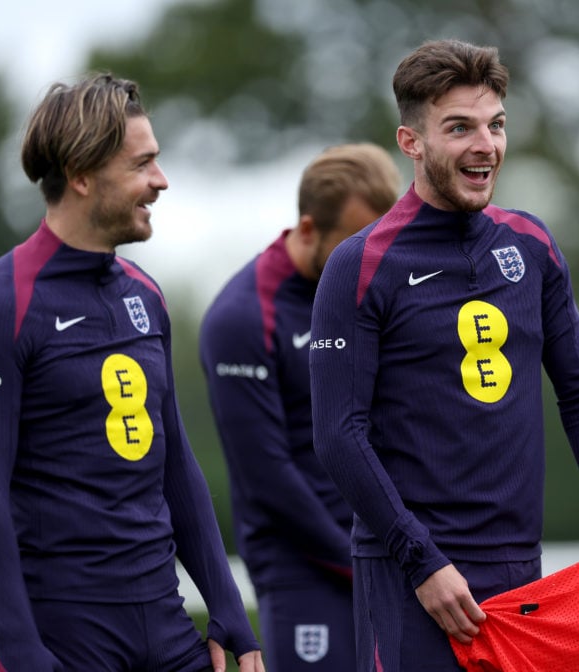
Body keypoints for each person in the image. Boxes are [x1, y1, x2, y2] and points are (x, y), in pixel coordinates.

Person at [309, 39, 579, 671]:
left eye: (495, 125)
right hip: (412, 580)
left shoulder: (532, 245)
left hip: (521, 577)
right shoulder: (360, 265)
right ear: (411, 142)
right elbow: (338, 434)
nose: (484, 145)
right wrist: (423, 562)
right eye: (458, 128)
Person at [0, 73, 264, 672]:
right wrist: (20, 648)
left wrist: (228, 611)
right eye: (142, 165)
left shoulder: (146, 295)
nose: (160, 181)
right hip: (60, 636)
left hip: (165, 623)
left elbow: (176, 467)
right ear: (82, 175)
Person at [199, 142, 402, 669]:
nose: (369, 261)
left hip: (395, 555)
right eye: (353, 244)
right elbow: (266, 476)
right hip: (306, 571)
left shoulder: (375, 288)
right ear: (308, 230)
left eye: (380, 242)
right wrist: (363, 561)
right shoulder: (241, 318)